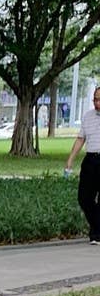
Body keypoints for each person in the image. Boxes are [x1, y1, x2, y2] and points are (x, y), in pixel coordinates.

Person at [64, 88, 100, 244]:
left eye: (99, 99)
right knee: (84, 198)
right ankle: (97, 227)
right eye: (95, 99)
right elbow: (80, 139)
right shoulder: (87, 117)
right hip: (90, 160)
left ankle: (96, 234)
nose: (97, 103)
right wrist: (71, 159)